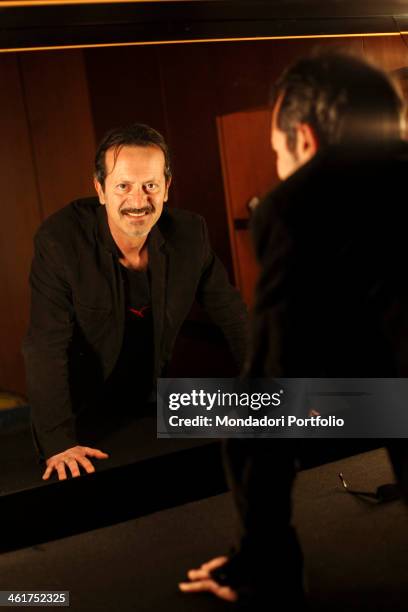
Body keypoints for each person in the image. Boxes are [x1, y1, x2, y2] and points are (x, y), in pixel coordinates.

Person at [179, 50, 408, 607]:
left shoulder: (302, 202)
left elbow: (266, 397)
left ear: (304, 141)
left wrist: (262, 558)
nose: (279, 169)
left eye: (278, 152)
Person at [23, 123, 249, 481]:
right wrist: (58, 442)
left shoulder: (190, 234)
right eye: (123, 186)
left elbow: (234, 316)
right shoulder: (60, 242)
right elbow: (44, 346)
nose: (138, 200)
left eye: (150, 185)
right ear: (100, 189)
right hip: (81, 412)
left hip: (153, 400)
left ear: (167, 187)